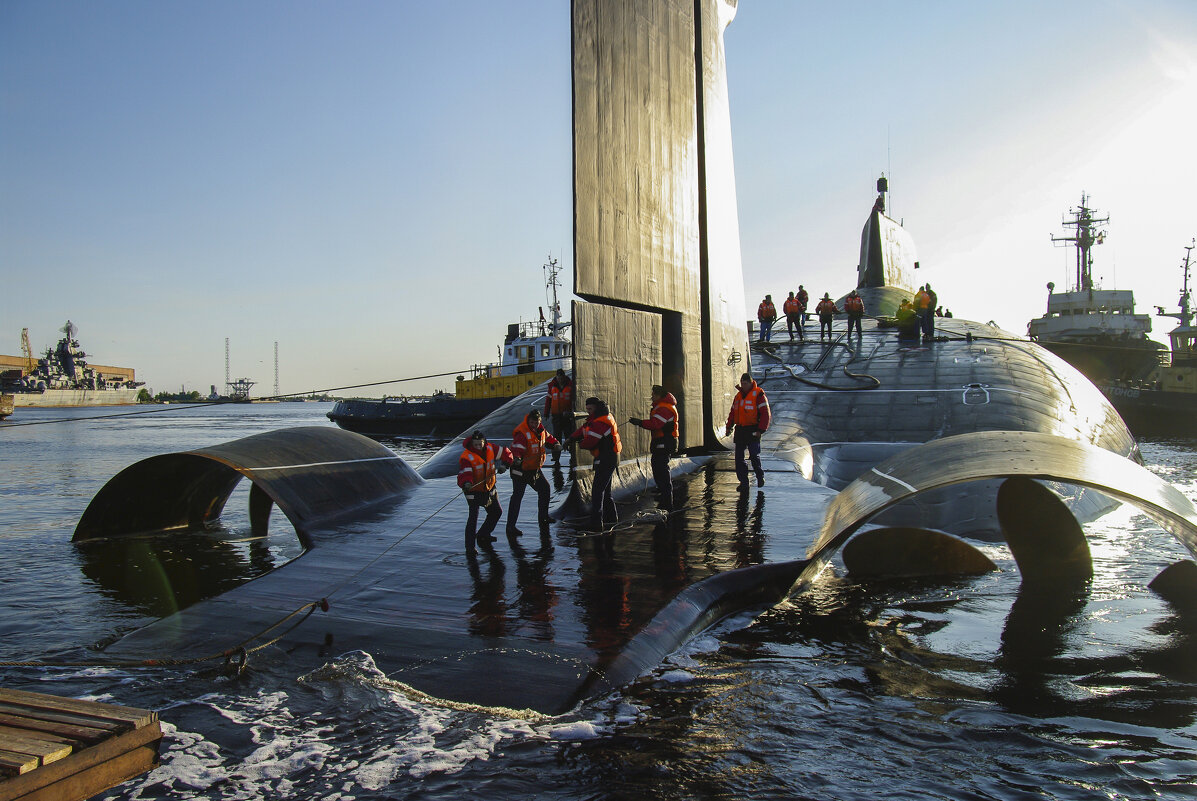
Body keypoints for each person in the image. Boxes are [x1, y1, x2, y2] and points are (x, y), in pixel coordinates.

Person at [505, 410, 561, 537]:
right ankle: (510, 527)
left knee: (545, 489)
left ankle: (543, 517)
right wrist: (517, 458)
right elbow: (516, 449)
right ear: (528, 421)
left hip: (533, 469)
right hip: (520, 470)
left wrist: (555, 444)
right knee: (517, 497)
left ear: (540, 422)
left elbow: (549, 439)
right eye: (532, 422)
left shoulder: (541, 431)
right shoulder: (523, 434)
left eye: (536, 422)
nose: (534, 424)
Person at [570, 396, 622, 529]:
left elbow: (590, 441)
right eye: (587, 409)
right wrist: (571, 438)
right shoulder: (600, 418)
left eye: (590, 409)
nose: (588, 411)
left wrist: (579, 444)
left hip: (606, 458)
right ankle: (611, 518)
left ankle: (596, 522)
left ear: (596, 408)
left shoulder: (600, 422)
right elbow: (584, 429)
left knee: (597, 491)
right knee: (606, 492)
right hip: (610, 457)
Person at [458, 430, 512, 553]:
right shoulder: (467, 457)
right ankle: (470, 547)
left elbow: (506, 453)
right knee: (473, 518)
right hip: (473, 490)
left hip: (489, 488)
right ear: (472, 443)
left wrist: (505, 464)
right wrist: (466, 482)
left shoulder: (491, 449)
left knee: (496, 512)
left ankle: (483, 534)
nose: (478, 447)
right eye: (475, 444)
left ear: (484, 442)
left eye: (480, 444)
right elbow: (464, 473)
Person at [628, 385, 679, 512]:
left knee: (661, 468)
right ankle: (663, 493)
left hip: (665, 441)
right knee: (658, 466)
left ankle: (667, 500)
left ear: (658, 395)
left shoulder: (664, 408)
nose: (651, 397)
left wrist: (639, 422)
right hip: (661, 441)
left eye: (653, 394)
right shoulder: (662, 406)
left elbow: (656, 424)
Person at [725, 373, 770, 490]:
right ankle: (744, 482)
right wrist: (729, 426)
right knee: (739, 459)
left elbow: (765, 413)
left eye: (745, 384)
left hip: (753, 429)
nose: (743, 386)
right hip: (740, 430)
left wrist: (761, 429)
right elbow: (733, 413)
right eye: (742, 384)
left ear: (750, 383)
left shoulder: (759, 395)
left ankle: (760, 476)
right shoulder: (738, 396)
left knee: (754, 456)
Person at [544, 369, 575, 460]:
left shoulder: (570, 386)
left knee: (568, 436)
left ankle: (572, 455)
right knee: (556, 437)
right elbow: (548, 400)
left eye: (561, 377)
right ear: (557, 377)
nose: (560, 379)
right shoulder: (552, 387)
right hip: (556, 416)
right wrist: (546, 413)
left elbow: (574, 400)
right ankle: (556, 457)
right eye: (558, 378)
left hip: (567, 416)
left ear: (564, 377)